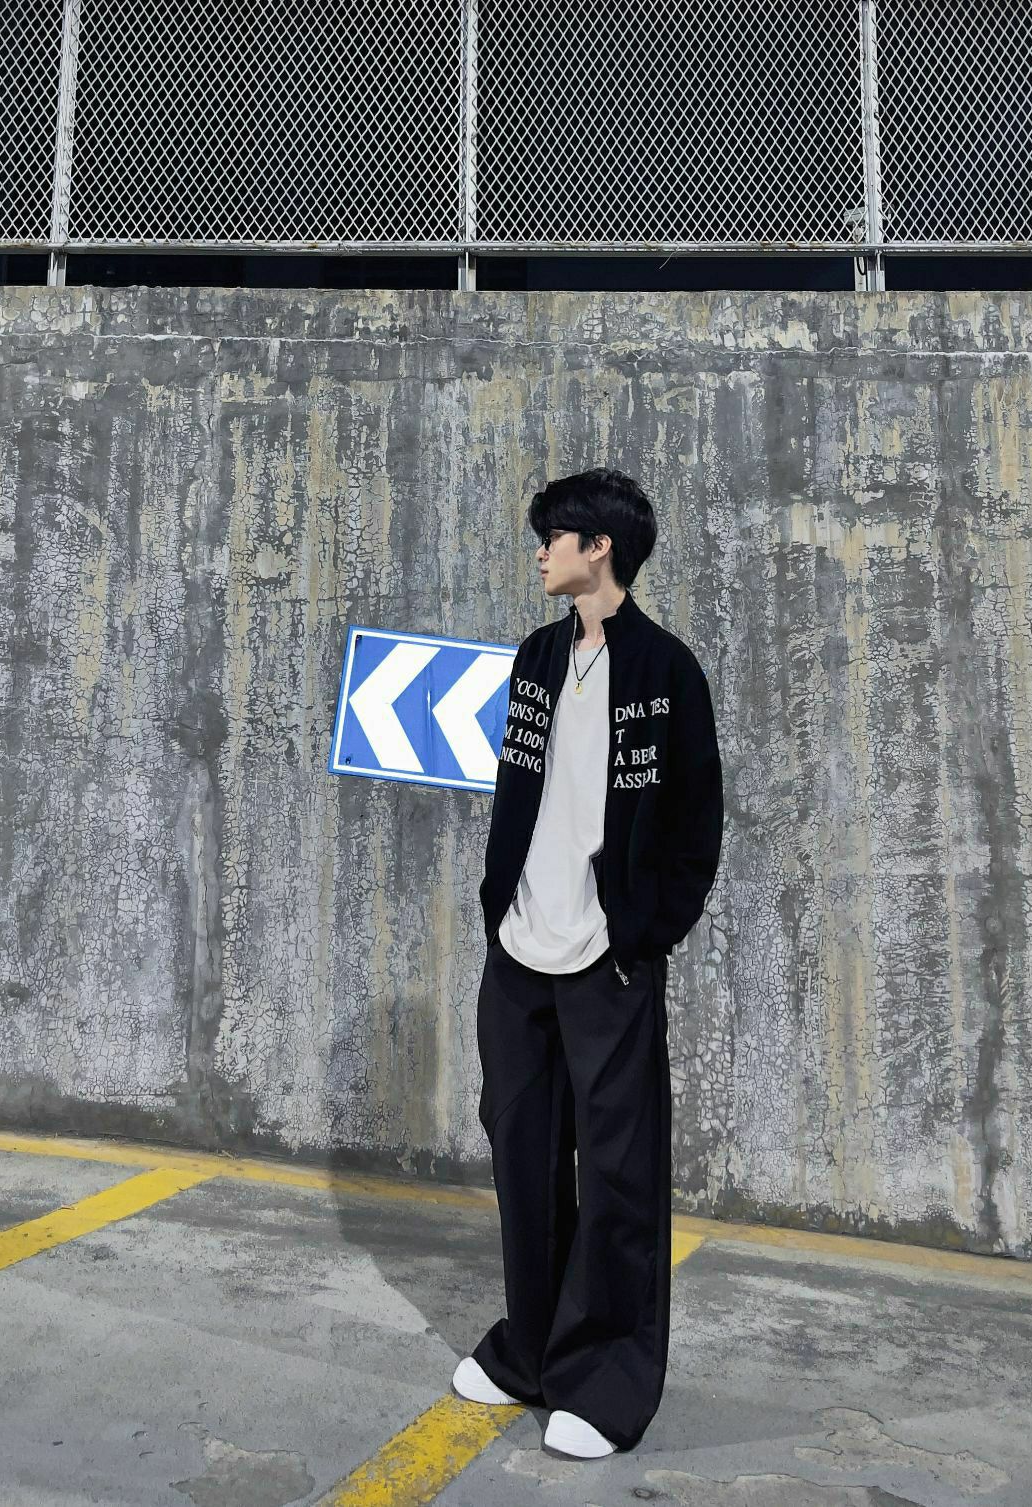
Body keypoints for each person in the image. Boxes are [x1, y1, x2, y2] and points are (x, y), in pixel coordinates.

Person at [452, 468, 724, 1457]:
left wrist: (641, 936)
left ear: (598, 547)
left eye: (555, 535)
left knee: (616, 1173)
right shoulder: (535, 657)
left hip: (606, 960)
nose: (541, 551)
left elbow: (696, 824)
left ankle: (607, 1378)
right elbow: (518, 793)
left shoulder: (664, 670)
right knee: (522, 1154)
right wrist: (500, 912)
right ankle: (530, 1349)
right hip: (520, 953)